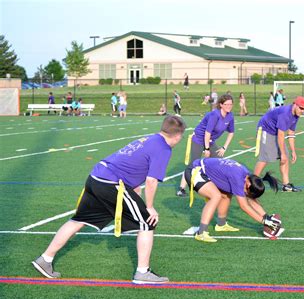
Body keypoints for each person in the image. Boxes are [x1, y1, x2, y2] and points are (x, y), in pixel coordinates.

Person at [31, 116, 186, 284]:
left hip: (96, 176)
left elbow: (130, 161)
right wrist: (150, 207)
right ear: (178, 136)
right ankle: (143, 272)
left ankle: (45, 259)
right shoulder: (163, 148)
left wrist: (133, 186)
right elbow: (151, 180)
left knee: (79, 219)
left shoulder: (150, 138)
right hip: (112, 183)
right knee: (147, 222)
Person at [185, 158, 282, 242]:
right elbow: (244, 206)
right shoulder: (238, 179)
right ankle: (201, 233)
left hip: (204, 171)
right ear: (248, 185)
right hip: (195, 171)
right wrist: (264, 221)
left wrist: (266, 217)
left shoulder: (248, 178)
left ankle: (221, 225)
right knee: (215, 196)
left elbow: (251, 200)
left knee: (226, 194)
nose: (246, 195)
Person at [176, 94, 235, 197]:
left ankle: (222, 186)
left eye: (230, 104)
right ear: (221, 105)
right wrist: (206, 149)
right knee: (193, 164)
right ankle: (181, 189)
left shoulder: (230, 116)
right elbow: (207, 133)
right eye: (226, 104)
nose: (229, 106)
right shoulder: (215, 115)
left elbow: (231, 132)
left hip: (210, 141)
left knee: (219, 162)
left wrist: (224, 147)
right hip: (199, 139)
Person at [254, 96, 304, 192]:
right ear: (294, 105)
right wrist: (282, 154)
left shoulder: (296, 115)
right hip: (265, 129)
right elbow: (281, 135)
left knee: (285, 157)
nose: (302, 110)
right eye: (301, 108)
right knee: (266, 158)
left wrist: (293, 151)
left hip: (275, 131)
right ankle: (253, 183)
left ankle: (286, 185)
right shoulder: (285, 113)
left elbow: (291, 133)